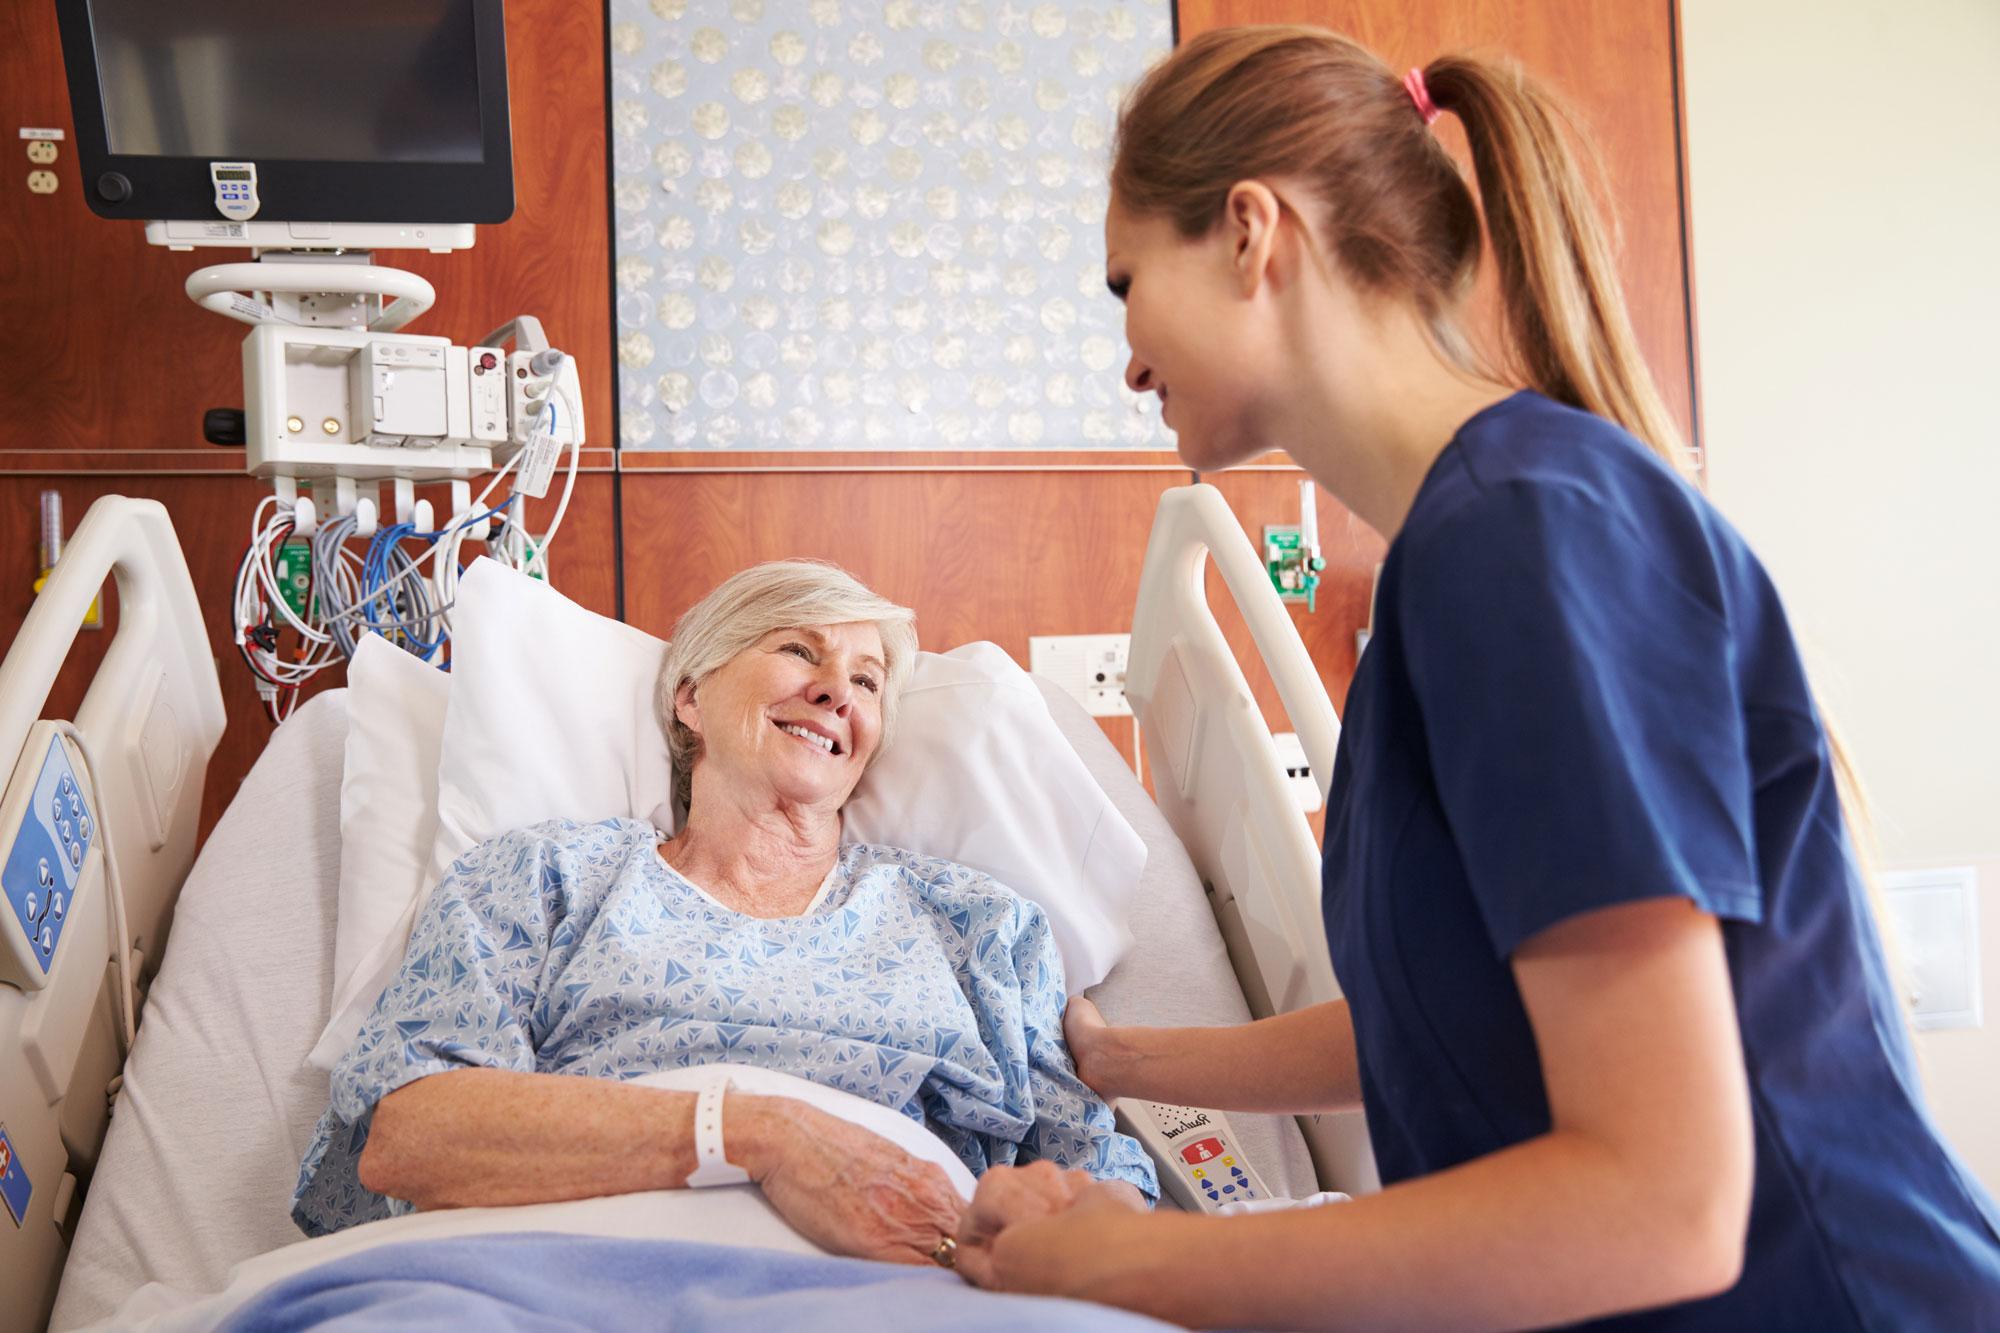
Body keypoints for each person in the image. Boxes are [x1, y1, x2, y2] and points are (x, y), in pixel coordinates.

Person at [951, 25, 2000, 1329]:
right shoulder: (1467, 554)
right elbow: (1472, 1007)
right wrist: (1121, 1059)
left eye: (1124, 284)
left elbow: (1659, 1202)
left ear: (1248, 232)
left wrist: (1122, 1263)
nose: (1126, 359)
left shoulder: (1526, 538)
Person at [291, 560, 1155, 1260]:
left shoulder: (975, 925)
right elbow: (408, 1137)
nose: (837, 692)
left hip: (896, 1291)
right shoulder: (545, 879)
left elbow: (1095, 1184)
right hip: (573, 1279)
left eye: (867, 679)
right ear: (691, 697)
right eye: (797, 651)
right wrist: (756, 1134)